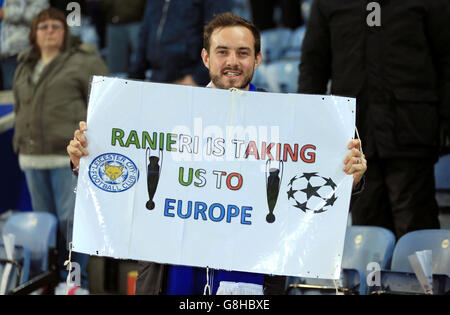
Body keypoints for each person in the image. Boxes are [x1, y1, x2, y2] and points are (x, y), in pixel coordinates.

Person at [67, 12, 367, 295]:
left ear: (258, 59)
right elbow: (128, 184)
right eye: (222, 51)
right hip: (175, 272)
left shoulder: (287, 122)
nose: (232, 62)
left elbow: (307, 199)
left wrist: (348, 181)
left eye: (243, 52)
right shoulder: (167, 113)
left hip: (251, 271)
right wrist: (87, 161)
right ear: (205, 57)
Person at [298, 0, 449, 239]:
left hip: (413, 132)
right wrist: (310, 126)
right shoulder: (326, 3)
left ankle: (421, 278)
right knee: (367, 230)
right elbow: (313, 66)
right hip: (354, 138)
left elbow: (446, 60)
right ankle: (373, 278)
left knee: (416, 228)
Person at [12, 7, 108, 289]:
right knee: (45, 227)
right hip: (32, 158)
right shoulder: (23, 65)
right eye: (44, 27)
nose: (50, 31)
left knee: (72, 224)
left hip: (68, 158)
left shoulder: (82, 61)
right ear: (34, 34)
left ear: (66, 32)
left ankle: (75, 283)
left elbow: (103, 104)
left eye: (56, 26)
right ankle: (46, 281)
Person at [128, 0, 234, 86]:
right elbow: (145, 33)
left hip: (190, 82)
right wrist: (134, 77)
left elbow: (221, 36)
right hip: (156, 79)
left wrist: (197, 78)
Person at [0, 0, 49, 90]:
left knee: (22, 91)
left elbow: (41, 15)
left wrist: (6, 13)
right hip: (4, 54)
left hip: (22, 53)